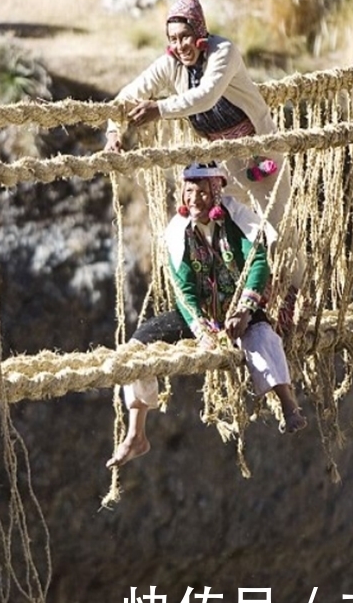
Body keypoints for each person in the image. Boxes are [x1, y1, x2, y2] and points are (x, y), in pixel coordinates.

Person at [103, 0, 305, 334]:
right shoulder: (171, 65)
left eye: (185, 37)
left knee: (277, 228)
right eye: (173, 39)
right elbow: (128, 95)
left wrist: (159, 109)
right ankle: (231, 303)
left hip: (260, 152)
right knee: (226, 226)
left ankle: (289, 303)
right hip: (223, 159)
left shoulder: (223, 52)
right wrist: (114, 131)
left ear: (200, 33)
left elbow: (207, 96)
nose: (180, 46)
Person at [107, 162, 307, 469]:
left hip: (239, 307)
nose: (195, 199)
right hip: (197, 315)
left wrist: (244, 310)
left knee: (262, 336)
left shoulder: (236, 220)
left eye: (202, 192)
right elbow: (183, 289)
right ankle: (136, 433)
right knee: (135, 349)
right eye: (190, 192)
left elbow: (257, 264)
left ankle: (288, 403)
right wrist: (201, 331)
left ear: (216, 192)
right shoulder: (178, 233)